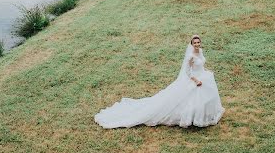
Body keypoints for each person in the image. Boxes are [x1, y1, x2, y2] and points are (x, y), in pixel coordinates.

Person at [94, 34, 225, 128]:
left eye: (198, 42)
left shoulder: (200, 51)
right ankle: (192, 118)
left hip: (203, 75)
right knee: (190, 97)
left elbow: (201, 63)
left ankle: (206, 115)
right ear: (191, 44)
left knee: (206, 97)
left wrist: (206, 70)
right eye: (195, 43)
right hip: (195, 79)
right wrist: (196, 80)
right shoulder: (190, 56)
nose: (197, 44)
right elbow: (188, 71)